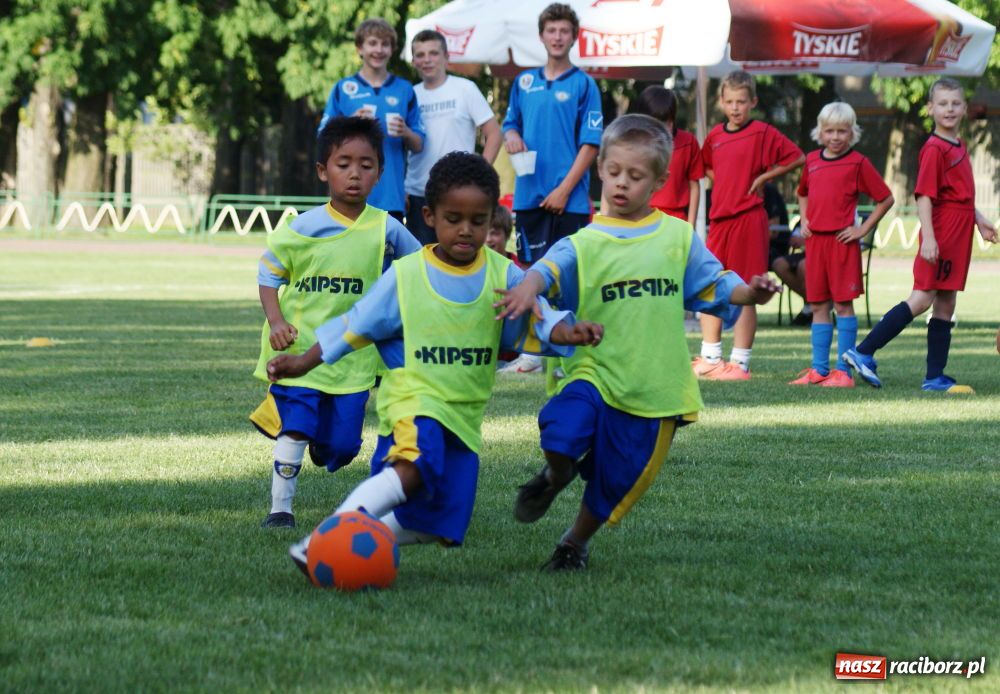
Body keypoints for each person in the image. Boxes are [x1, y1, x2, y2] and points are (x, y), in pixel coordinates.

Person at [264, 152, 603, 569]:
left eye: (478, 221)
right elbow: (355, 324)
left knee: (441, 525)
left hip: (463, 414)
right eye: (453, 218)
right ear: (430, 215)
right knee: (413, 468)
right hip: (415, 400)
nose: (466, 230)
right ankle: (324, 541)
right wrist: (302, 364)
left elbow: (541, 318)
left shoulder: (504, 274)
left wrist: (569, 331)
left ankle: (355, 540)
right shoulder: (407, 275)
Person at [494, 115, 780, 570]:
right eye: (613, 173)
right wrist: (528, 286)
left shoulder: (677, 237)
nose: (621, 184)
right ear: (600, 168)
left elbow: (719, 287)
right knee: (562, 432)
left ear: (660, 181)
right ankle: (555, 475)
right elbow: (546, 270)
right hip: (594, 373)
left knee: (614, 480)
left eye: (635, 176)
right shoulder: (585, 240)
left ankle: (574, 544)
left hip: (654, 389)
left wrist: (753, 293)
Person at [251, 116, 422, 529]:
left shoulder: (387, 228)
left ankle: (317, 440)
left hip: (353, 359)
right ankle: (281, 511)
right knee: (297, 427)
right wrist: (276, 321)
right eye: (343, 163)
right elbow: (268, 274)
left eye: (366, 165)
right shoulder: (302, 227)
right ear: (322, 171)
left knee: (341, 449)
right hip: (298, 351)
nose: (354, 173)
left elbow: (420, 268)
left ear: (380, 173)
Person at [844, 79, 997, 392]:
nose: (950, 109)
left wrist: (979, 220)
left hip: (958, 233)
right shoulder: (934, 149)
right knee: (922, 298)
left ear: (965, 109)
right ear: (930, 109)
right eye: (942, 104)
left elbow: (960, 196)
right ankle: (862, 352)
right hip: (941, 233)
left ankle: (934, 377)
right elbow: (924, 196)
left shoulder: (958, 145)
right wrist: (929, 237)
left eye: (956, 103)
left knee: (946, 303)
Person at [500, 2, 603, 374]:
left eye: (564, 31)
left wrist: (564, 190)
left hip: (570, 200)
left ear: (574, 37)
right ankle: (533, 353)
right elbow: (510, 123)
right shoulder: (523, 82)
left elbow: (590, 144)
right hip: (529, 195)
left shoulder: (584, 84)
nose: (557, 37)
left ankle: (567, 354)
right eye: (551, 31)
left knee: (569, 276)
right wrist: (511, 137)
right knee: (530, 273)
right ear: (542, 35)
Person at [693, 71, 804, 380]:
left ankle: (739, 363)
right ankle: (710, 355)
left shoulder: (762, 132)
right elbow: (705, 167)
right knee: (710, 287)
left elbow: (797, 157)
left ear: (753, 102)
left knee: (746, 288)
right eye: (729, 102)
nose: (735, 107)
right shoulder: (714, 135)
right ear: (721, 102)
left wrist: (764, 178)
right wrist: (724, 184)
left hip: (749, 221)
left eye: (742, 101)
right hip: (719, 221)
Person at [790, 102, 894, 388]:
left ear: (852, 133)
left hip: (842, 243)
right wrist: (805, 218)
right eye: (830, 131)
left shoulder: (858, 163)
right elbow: (802, 193)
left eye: (842, 131)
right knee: (818, 305)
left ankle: (842, 372)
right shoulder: (811, 160)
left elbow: (885, 198)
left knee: (842, 305)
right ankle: (819, 369)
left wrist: (862, 229)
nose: (835, 137)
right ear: (820, 132)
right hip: (816, 244)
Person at [318, 18, 425, 221]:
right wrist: (350, 123)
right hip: (348, 193)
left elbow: (419, 144)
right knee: (349, 252)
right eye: (373, 43)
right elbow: (323, 134)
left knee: (387, 252)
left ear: (392, 49)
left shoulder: (404, 89)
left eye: (385, 44)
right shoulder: (344, 88)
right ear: (360, 48)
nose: (379, 49)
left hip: (391, 196)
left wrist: (406, 133)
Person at [404, 29, 502, 245]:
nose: (427, 59)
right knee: (421, 262)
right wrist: (400, 188)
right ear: (413, 61)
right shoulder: (409, 94)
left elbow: (494, 133)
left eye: (433, 53)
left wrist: (478, 174)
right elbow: (400, 144)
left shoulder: (465, 89)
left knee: (457, 260)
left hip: (459, 191)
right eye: (420, 55)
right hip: (417, 194)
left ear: (446, 57)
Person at [633, 86, 703, 226]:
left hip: (676, 219)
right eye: (655, 124)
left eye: (667, 122)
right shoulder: (633, 144)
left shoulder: (689, 142)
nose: (664, 128)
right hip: (641, 217)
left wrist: (691, 225)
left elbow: (694, 185)